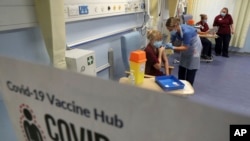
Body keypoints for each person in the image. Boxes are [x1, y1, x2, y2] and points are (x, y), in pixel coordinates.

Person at [165, 17, 202, 85]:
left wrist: (173, 47)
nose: (170, 31)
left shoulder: (187, 32)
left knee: (191, 68)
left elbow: (185, 47)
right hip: (186, 47)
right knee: (182, 66)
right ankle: (180, 84)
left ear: (175, 26)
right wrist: (168, 46)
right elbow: (172, 41)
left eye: (170, 29)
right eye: (168, 30)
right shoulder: (175, 31)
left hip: (194, 47)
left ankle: (189, 86)